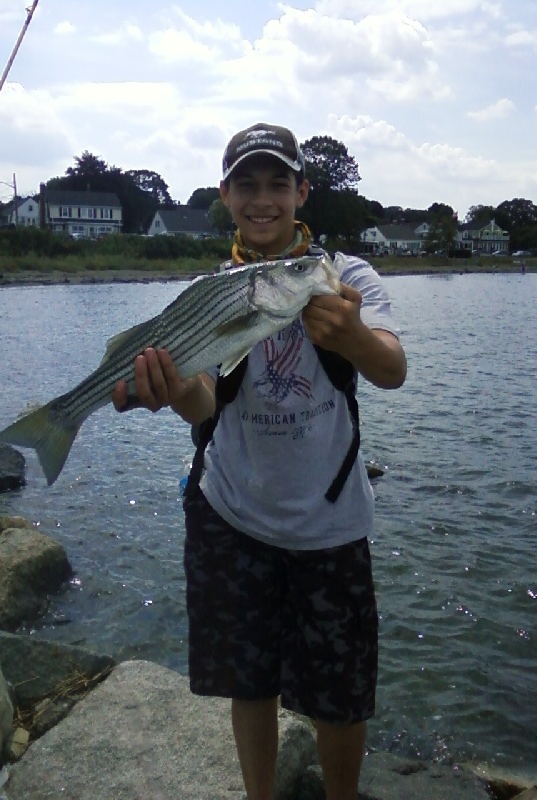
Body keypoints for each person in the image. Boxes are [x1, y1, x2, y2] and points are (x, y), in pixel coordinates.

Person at [112, 122, 407, 800]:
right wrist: (168, 388)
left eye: (279, 183)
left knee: (339, 694)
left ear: (303, 192)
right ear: (225, 196)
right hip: (231, 514)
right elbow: (204, 405)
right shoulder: (209, 290)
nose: (264, 198)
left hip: (332, 522)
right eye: (248, 184)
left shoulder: (346, 275)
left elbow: (392, 369)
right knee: (249, 682)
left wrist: (355, 335)